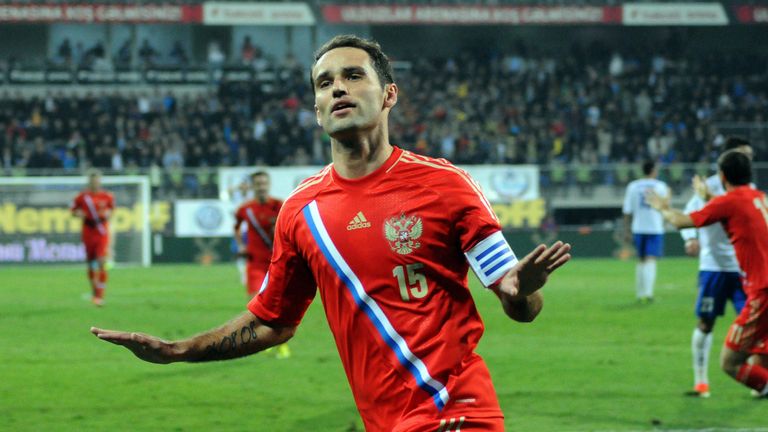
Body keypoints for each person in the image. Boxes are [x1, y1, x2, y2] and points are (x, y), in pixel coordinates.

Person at [91, 35, 572, 431]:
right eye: (325, 83)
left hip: (458, 412)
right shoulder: (301, 211)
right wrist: (176, 351)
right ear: (317, 108)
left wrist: (521, 290)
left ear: (389, 95)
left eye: (353, 76)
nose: (338, 88)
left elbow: (516, 297)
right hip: (384, 421)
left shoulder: (446, 186)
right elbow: (272, 322)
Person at [647, 150, 768, 398]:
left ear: (722, 175)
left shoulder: (728, 202)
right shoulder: (760, 198)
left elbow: (681, 221)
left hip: (762, 292)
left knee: (730, 362)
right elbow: (737, 209)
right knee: (760, 354)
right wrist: (708, 195)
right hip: (757, 286)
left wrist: (663, 208)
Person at [679, 137, 752, 398]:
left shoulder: (749, 188)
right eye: (743, 155)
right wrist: (689, 239)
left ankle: (758, 382)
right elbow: (688, 214)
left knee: (757, 328)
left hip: (745, 269)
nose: (748, 160)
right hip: (713, 267)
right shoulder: (708, 186)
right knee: (706, 322)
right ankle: (701, 382)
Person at [622, 160, 669, 303]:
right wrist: (665, 223)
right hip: (655, 227)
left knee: (641, 260)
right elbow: (666, 207)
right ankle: (648, 294)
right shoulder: (661, 186)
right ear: (654, 170)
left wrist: (627, 230)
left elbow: (627, 210)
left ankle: (639, 293)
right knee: (651, 259)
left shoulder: (633, 186)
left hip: (638, 227)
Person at [71, 170, 114, 306]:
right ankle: (94, 290)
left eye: (97, 181)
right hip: (88, 231)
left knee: (101, 261)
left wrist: (108, 214)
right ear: (89, 182)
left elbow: (111, 209)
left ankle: (99, 296)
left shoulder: (107, 196)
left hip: (101, 231)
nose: (95, 183)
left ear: (100, 182)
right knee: (90, 262)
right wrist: (78, 214)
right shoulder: (82, 197)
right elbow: (73, 210)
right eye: (93, 181)